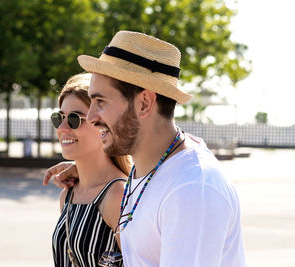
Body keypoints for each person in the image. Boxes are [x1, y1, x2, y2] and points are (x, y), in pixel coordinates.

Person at [43, 31, 247, 266]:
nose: (91, 116)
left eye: (100, 102)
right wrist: (84, 170)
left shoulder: (191, 189)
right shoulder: (157, 166)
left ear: (144, 103)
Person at [47, 73, 132, 267]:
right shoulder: (68, 195)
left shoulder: (118, 195)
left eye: (74, 118)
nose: (62, 127)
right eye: (58, 117)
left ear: (101, 122)